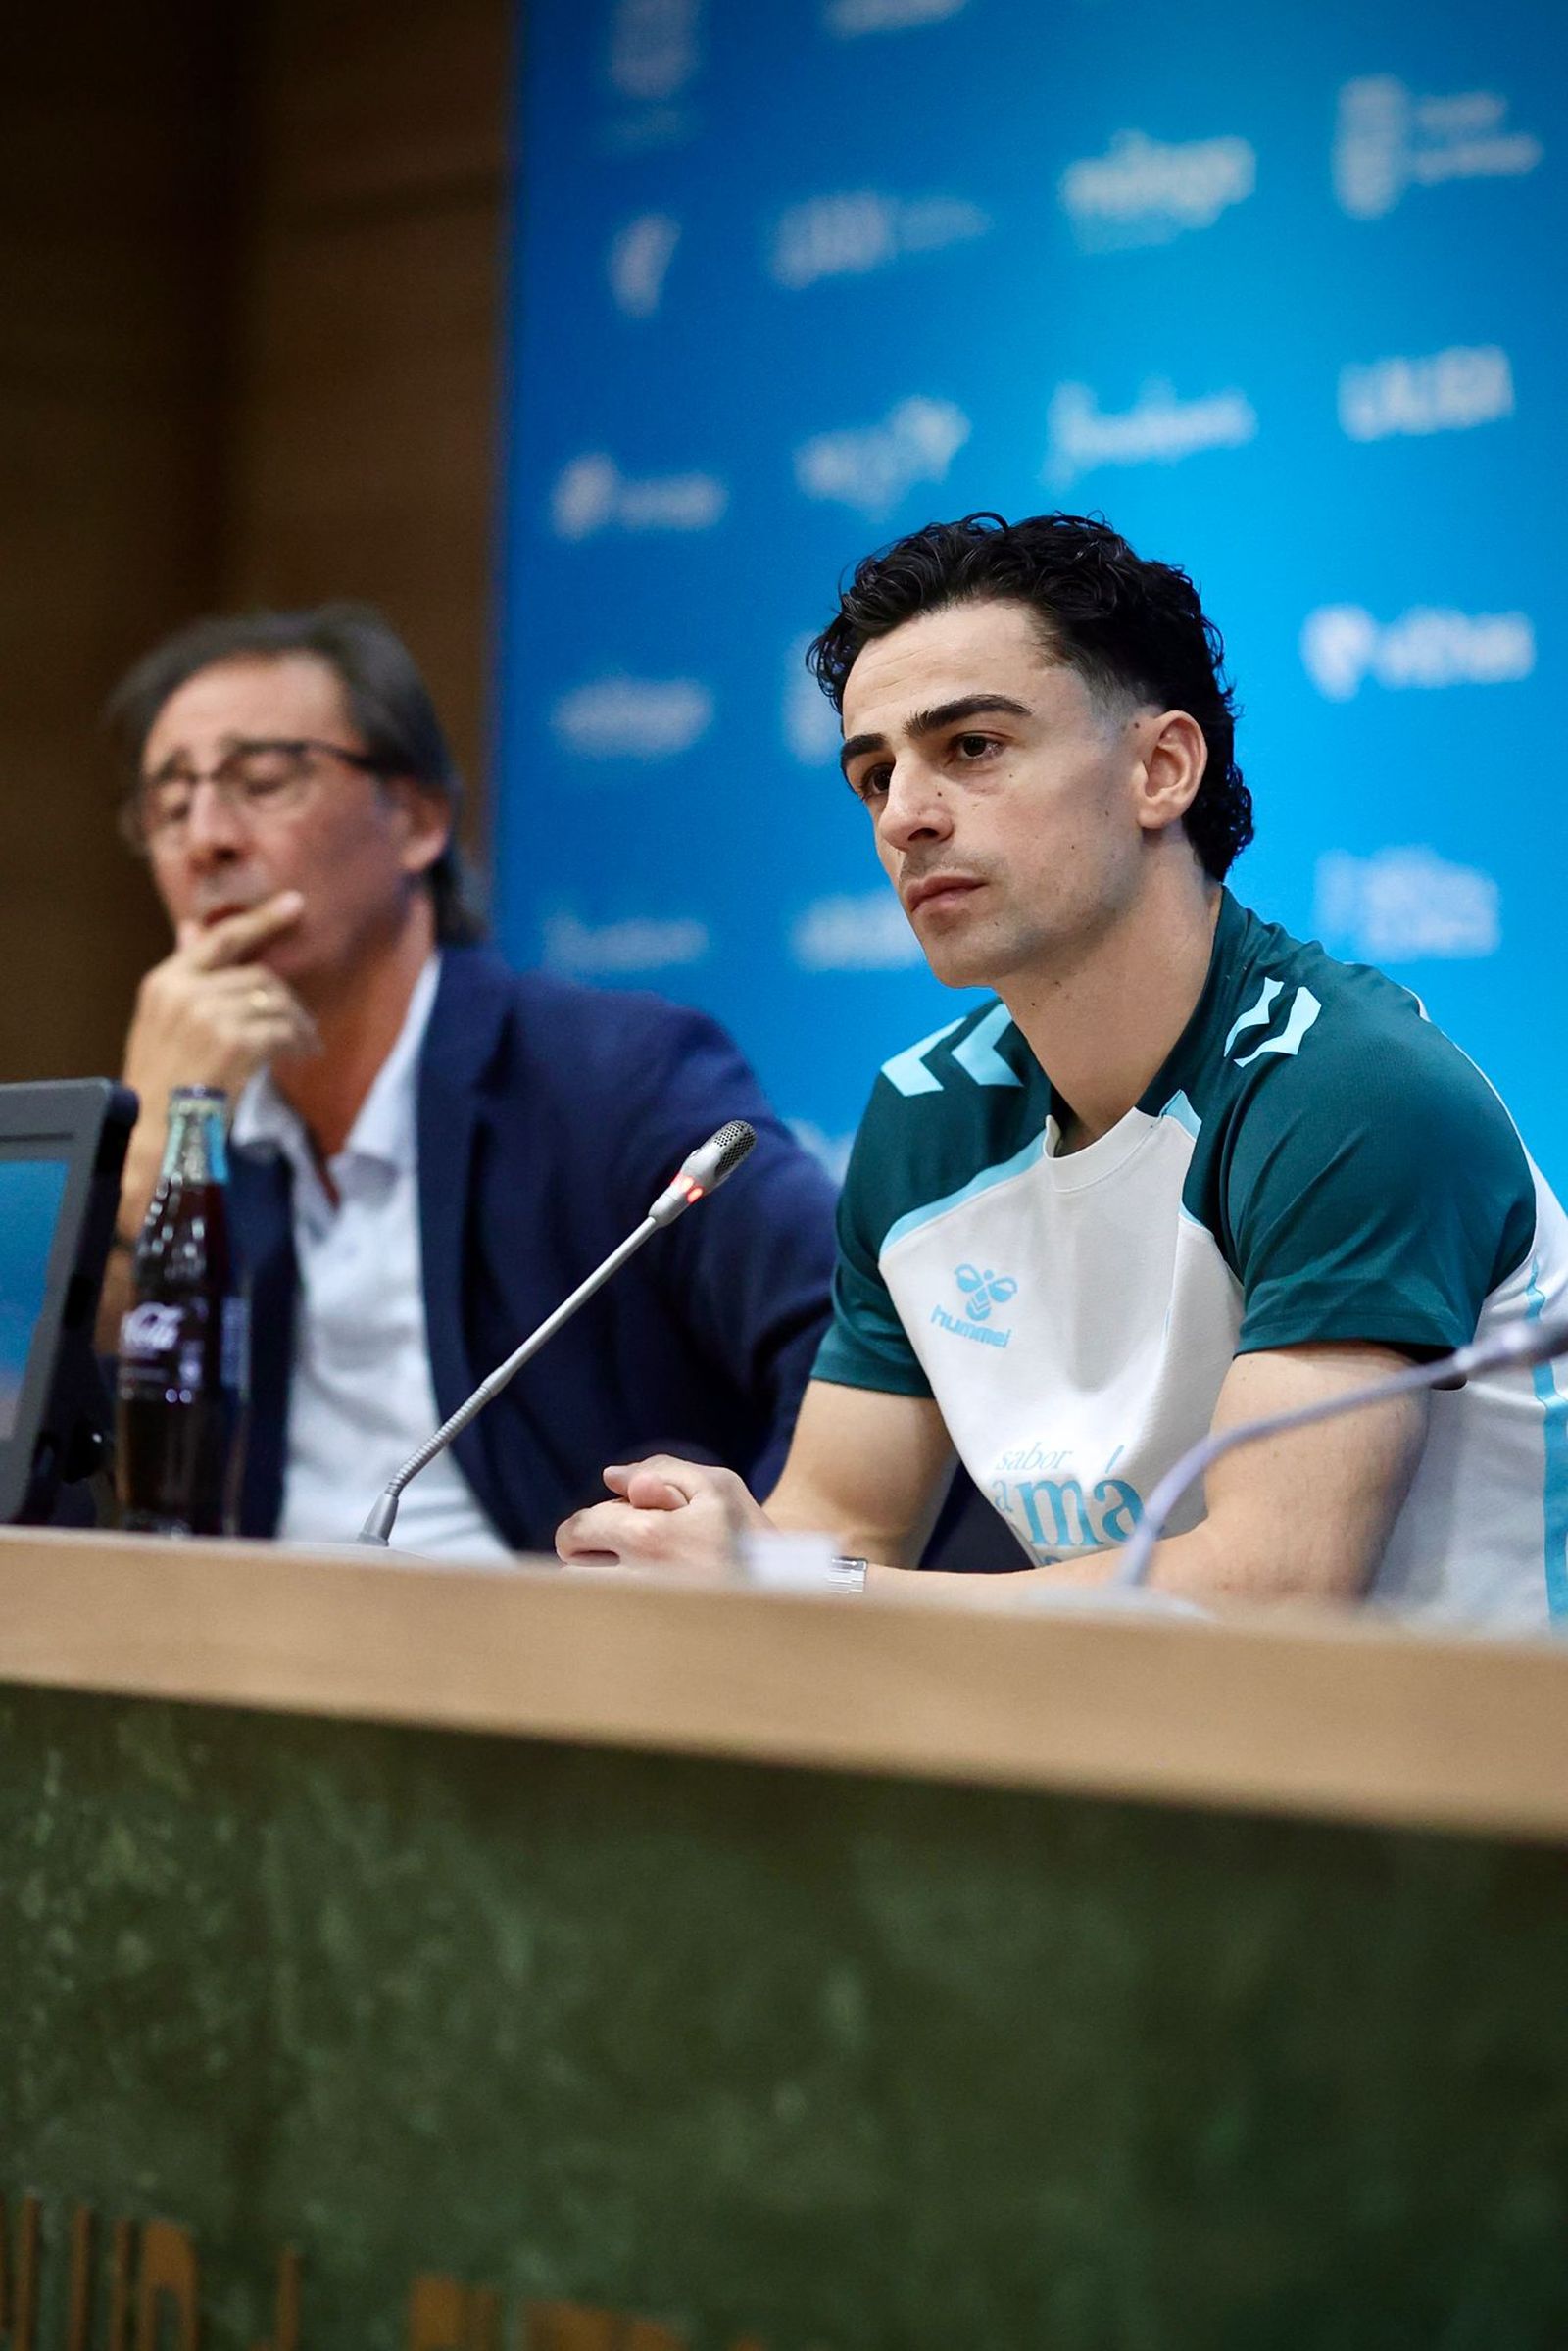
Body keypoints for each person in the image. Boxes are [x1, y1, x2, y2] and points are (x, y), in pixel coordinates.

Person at [558, 512, 1568, 1624]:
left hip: (1475, 1776)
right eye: (872, 775)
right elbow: (836, 1524)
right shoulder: (925, 1117)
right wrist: (711, 1546)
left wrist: (811, 1578)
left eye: (970, 749)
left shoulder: (1350, 1090)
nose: (904, 815)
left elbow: (1271, 1589)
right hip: (1140, 1773)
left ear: (1160, 768)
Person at [103, 604, 838, 1558]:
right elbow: (72, 1424)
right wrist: (149, 1159)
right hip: (248, 1656)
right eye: (169, 804)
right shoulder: (190, 1128)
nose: (207, 839)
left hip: (545, 1670)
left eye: (262, 780)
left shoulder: (611, 1075)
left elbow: (852, 1325)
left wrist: (767, 1569)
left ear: (415, 820)